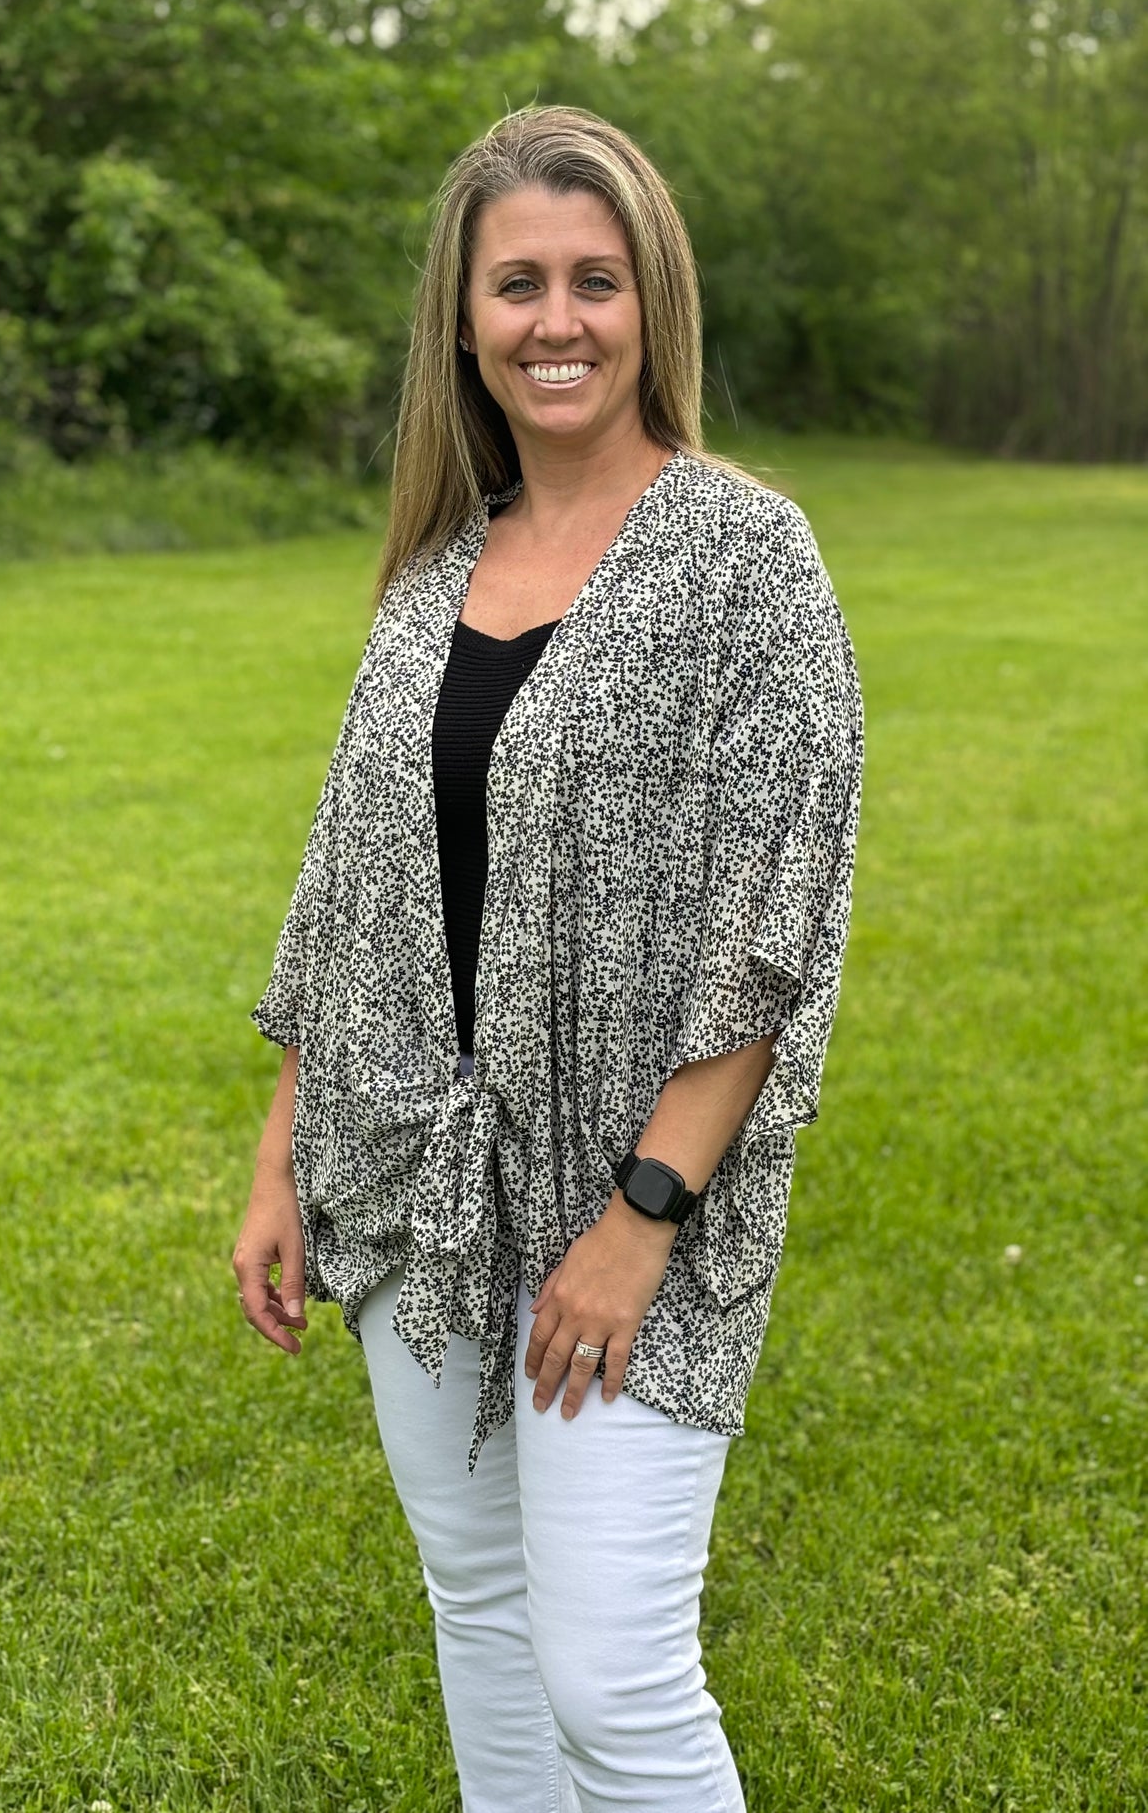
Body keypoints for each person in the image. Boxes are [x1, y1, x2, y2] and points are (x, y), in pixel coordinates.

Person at [233, 104, 864, 1813]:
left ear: (651, 299)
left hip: (626, 1204)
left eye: (595, 279)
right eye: (517, 282)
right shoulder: (434, 575)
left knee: (615, 1675)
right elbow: (349, 885)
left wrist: (638, 1225)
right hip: (408, 1183)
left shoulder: (746, 561)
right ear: (463, 318)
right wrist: (284, 1156)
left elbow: (773, 922)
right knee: (485, 1615)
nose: (556, 319)